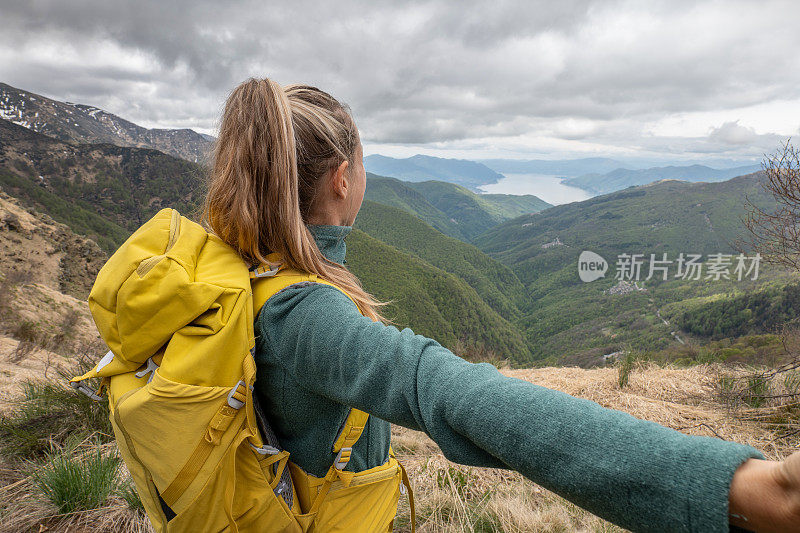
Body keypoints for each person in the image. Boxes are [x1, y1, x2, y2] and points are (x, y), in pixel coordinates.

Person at [202, 77, 800, 533]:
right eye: (364, 164)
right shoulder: (309, 316)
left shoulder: (248, 267)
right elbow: (460, 395)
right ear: (341, 178)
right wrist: (740, 488)